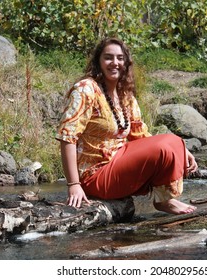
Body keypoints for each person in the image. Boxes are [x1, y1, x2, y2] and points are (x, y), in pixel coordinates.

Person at [55, 37, 198, 215]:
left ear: (126, 63)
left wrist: (181, 150)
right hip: (94, 175)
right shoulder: (86, 89)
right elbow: (67, 137)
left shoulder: (124, 94)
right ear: (98, 61)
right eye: (108, 57)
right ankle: (165, 201)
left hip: (119, 162)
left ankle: (164, 199)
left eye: (120, 58)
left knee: (174, 141)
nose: (114, 63)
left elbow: (141, 135)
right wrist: (74, 185)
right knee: (163, 148)